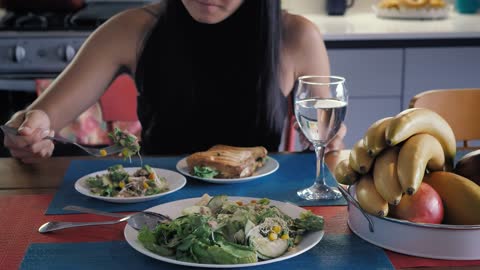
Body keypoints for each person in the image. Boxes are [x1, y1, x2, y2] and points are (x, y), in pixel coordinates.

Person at [3, 0, 346, 163]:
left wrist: (327, 143)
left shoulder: (297, 36)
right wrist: (31, 129)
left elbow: (325, 141)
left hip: (259, 212)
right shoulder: (130, 29)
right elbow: (43, 117)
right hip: (156, 207)